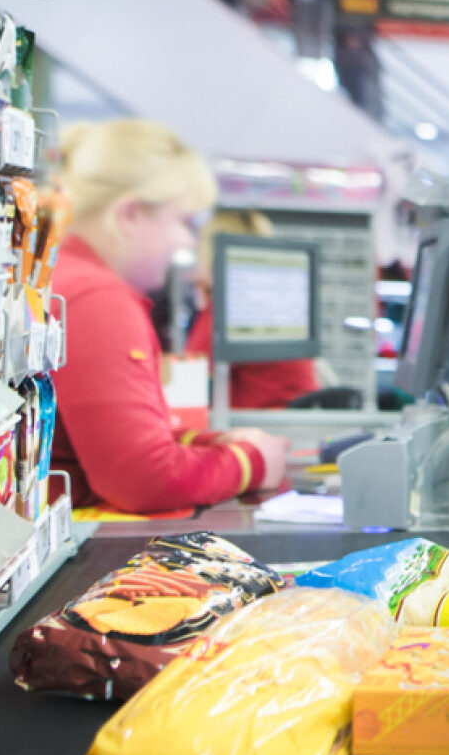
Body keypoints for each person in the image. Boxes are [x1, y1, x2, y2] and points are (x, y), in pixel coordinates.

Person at [49, 120, 292, 514]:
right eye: (183, 222)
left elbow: (120, 441)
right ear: (129, 215)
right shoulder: (97, 300)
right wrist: (252, 463)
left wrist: (212, 444)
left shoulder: (68, 279)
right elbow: (144, 478)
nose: (187, 243)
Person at [184, 209, 321, 409]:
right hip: (287, 425)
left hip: (256, 429)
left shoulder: (229, 309)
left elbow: (188, 381)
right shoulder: (278, 304)